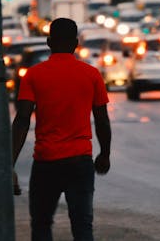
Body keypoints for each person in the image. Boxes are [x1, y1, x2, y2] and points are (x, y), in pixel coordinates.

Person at [12, 17, 112, 241]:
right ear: (76, 43)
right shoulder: (92, 75)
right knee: (83, 226)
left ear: (49, 42)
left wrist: (9, 165)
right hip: (80, 161)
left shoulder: (33, 75)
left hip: (46, 162)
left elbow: (22, 120)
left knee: (41, 225)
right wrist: (104, 154)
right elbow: (102, 120)